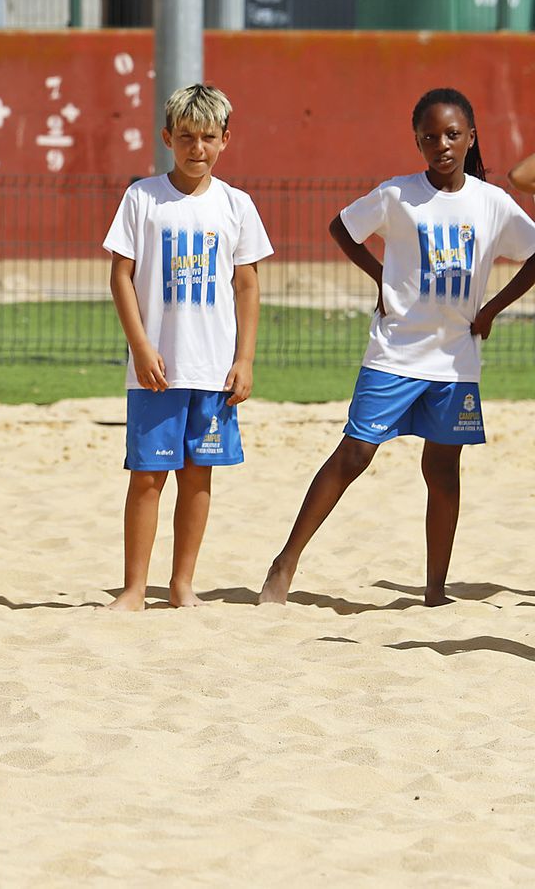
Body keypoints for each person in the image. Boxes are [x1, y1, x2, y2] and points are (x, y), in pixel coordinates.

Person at [260, 88, 535, 607]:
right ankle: (285, 562)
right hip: (395, 353)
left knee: (443, 470)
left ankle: (435, 590)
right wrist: (380, 279)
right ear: (417, 142)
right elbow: (342, 227)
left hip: (456, 360)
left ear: (471, 136)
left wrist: (493, 309)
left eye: (453, 134)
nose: (442, 144)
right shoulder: (397, 195)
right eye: (430, 136)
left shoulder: (492, 203)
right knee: (356, 452)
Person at [103, 84, 273, 611]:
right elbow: (120, 276)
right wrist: (140, 346)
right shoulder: (142, 198)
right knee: (148, 477)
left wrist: (244, 359)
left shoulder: (237, 205)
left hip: (214, 370)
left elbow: (246, 285)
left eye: (207, 137)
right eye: (185, 137)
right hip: (157, 370)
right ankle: (134, 590)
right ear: (166, 139)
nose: (196, 148)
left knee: (198, 477)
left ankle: (181, 585)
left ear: (225, 140)